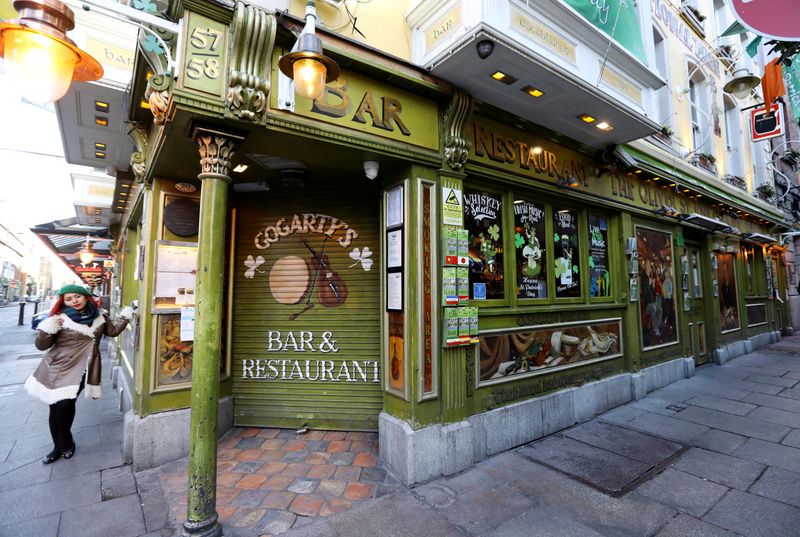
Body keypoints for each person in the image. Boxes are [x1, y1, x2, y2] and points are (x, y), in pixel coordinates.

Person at [24, 285, 132, 464]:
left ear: (85, 297)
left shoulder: (100, 315)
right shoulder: (60, 318)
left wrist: (125, 316)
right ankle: (59, 446)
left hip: (84, 367)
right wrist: (50, 327)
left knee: (67, 403)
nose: (74, 301)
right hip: (58, 367)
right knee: (55, 406)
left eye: (77, 296)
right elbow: (41, 346)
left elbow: (112, 332)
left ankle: (65, 441)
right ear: (63, 302)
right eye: (68, 299)